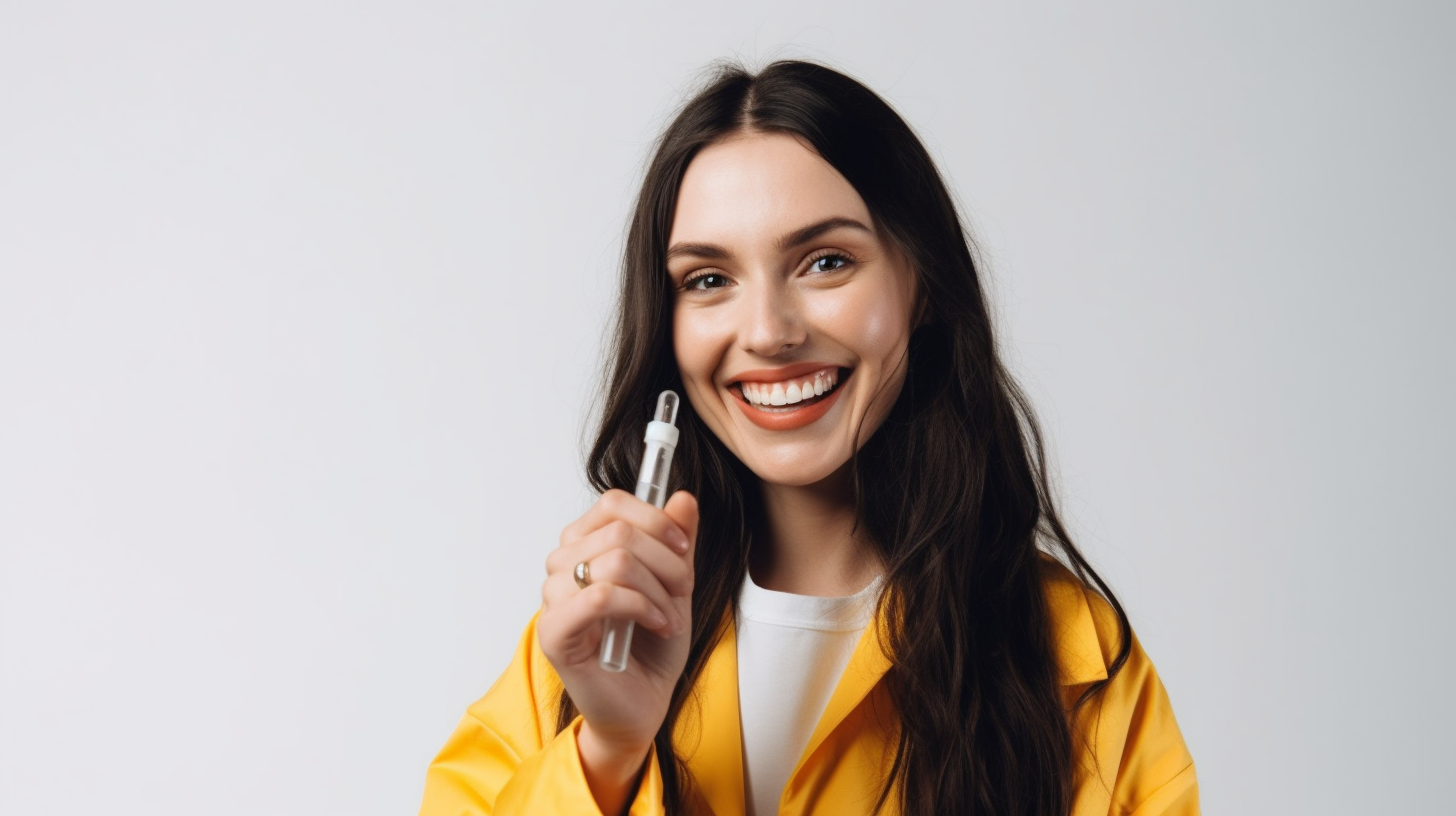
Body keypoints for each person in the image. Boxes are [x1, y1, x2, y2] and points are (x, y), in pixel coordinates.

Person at [418, 60, 1197, 816]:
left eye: (825, 262)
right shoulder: (587, 642)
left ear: (921, 284)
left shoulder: (1075, 665)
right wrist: (609, 752)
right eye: (708, 280)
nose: (767, 333)